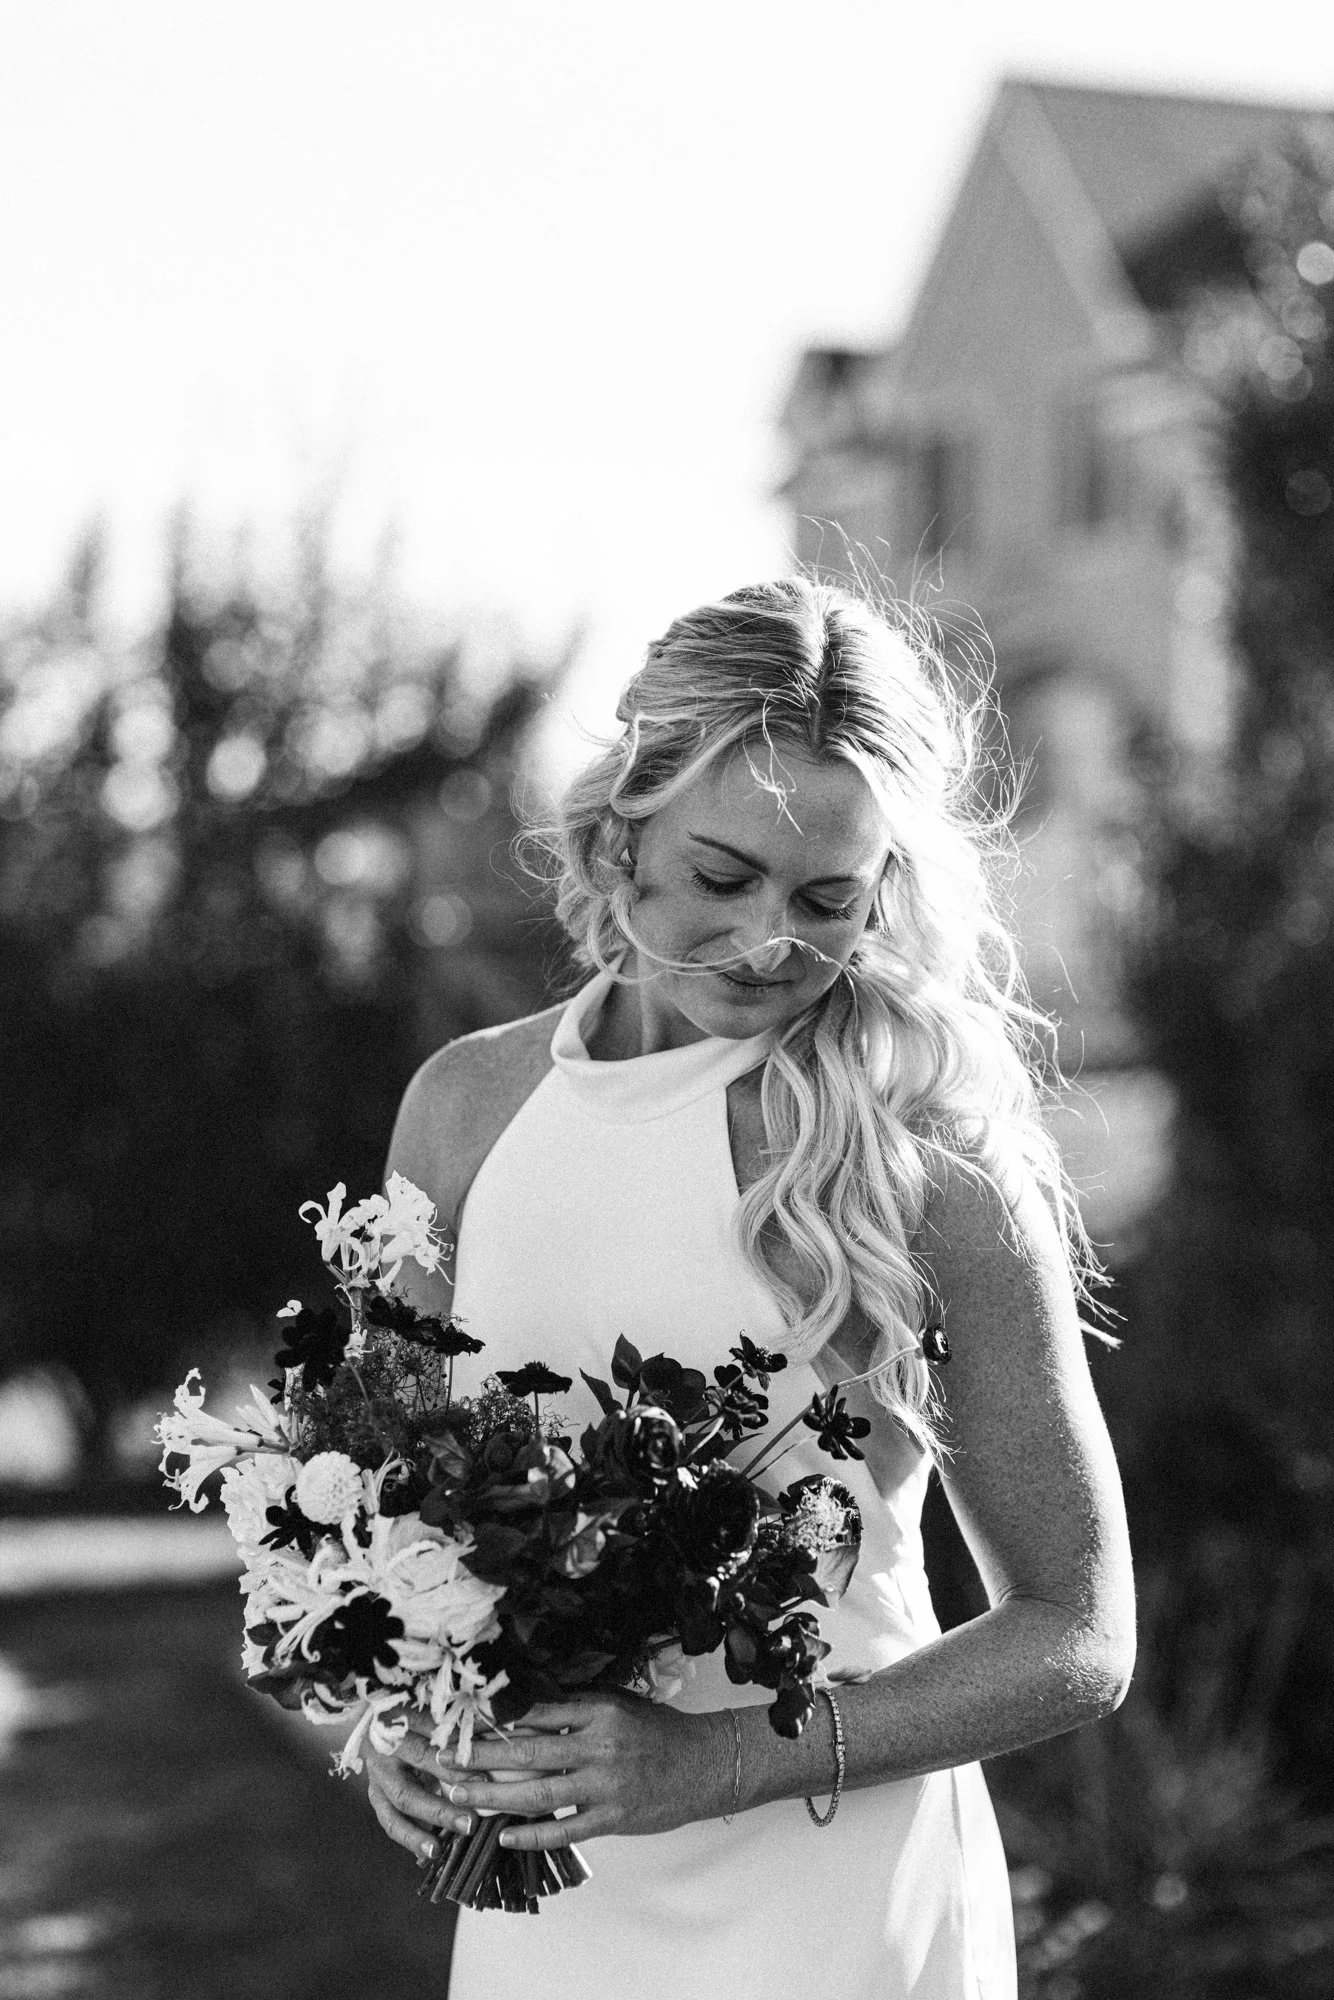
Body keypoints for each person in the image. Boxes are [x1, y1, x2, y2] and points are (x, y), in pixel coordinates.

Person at [363, 578, 1136, 1999]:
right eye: (725, 878)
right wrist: (399, 1722)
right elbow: (390, 1498)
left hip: (833, 1895)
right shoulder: (464, 1109)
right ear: (623, 833)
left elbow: (1076, 1633)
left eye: (827, 899)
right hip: (553, 1894)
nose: (773, 940)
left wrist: (714, 1761)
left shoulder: (926, 1170)